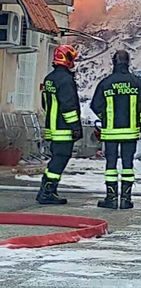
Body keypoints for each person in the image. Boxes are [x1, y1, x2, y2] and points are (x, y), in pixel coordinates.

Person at [90, 49, 141, 209]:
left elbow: (95, 105)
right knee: (128, 165)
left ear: (114, 63)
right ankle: (125, 199)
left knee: (110, 165)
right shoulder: (136, 83)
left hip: (110, 133)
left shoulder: (106, 83)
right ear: (128, 62)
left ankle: (110, 198)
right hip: (130, 133)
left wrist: (106, 117)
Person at [37, 45, 82, 205]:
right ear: (66, 59)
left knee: (56, 158)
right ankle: (47, 191)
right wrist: (75, 126)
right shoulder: (65, 80)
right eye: (71, 59)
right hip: (63, 128)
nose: (73, 62)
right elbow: (68, 105)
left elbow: (45, 103)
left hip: (52, 126)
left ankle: (47, 190)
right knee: (60, 158)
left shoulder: (50, 78)